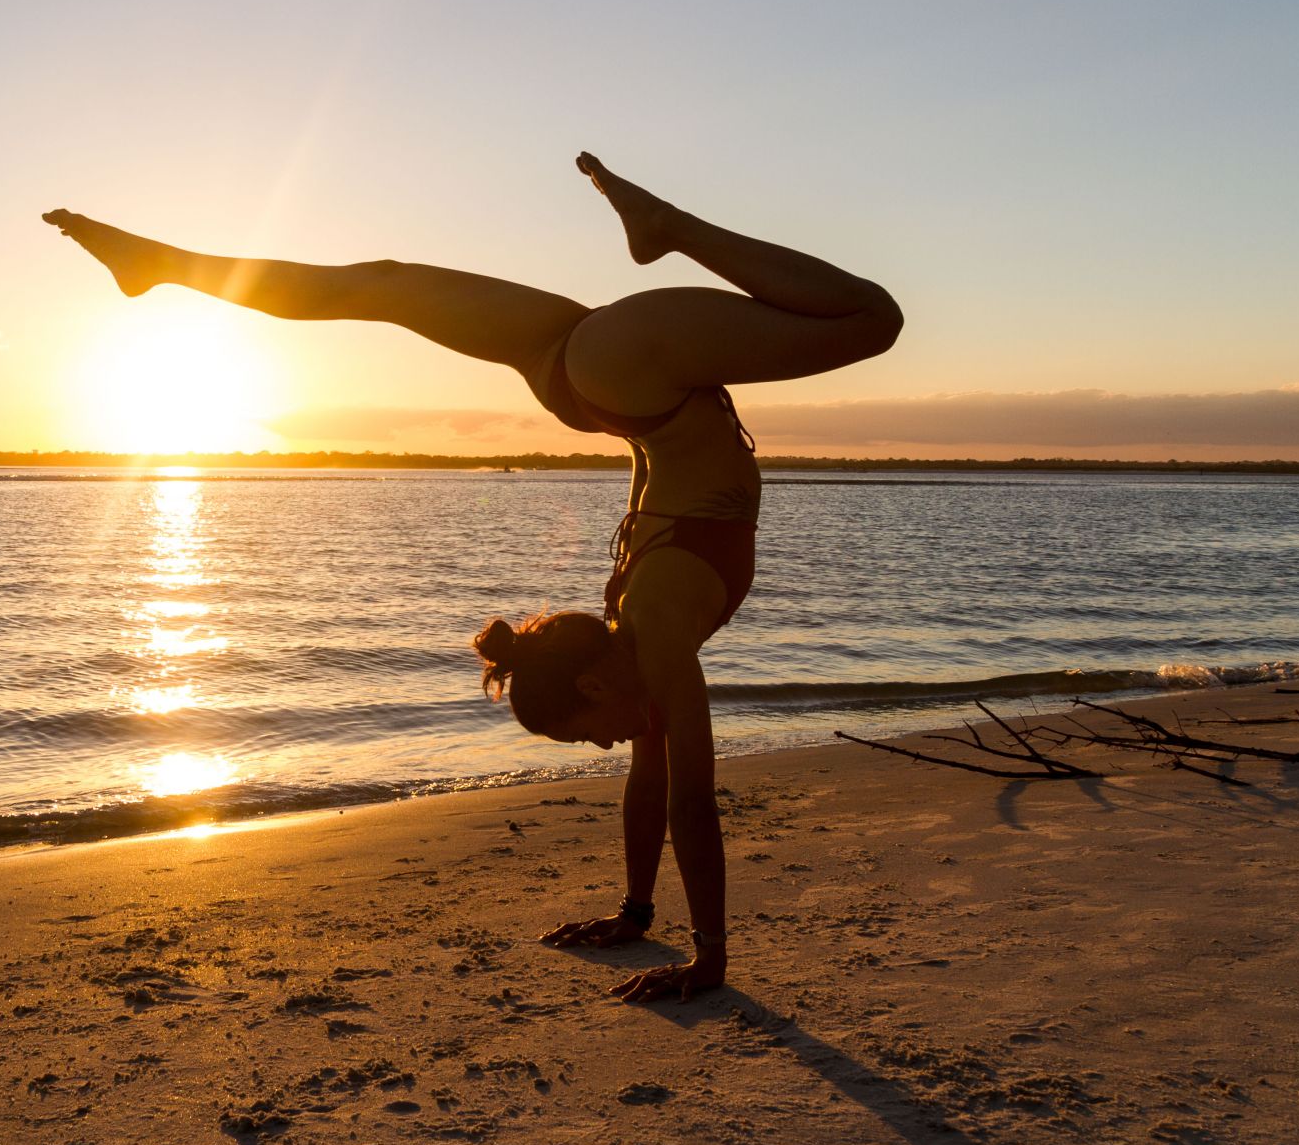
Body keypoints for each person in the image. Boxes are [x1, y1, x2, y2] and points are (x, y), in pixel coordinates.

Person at [44, 151, 902, 1002]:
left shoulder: (654, 626)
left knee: (873, 319)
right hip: (590, 376)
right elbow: (671, 796)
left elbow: (684, 801)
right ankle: (163, 265)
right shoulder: (648, 632)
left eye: (587, 734)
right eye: (593, 740)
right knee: (379, 284)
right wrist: (646, 920)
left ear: (597, 678)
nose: (609, 743)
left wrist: (698, 950)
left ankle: (669, 229)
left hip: (626, 376)